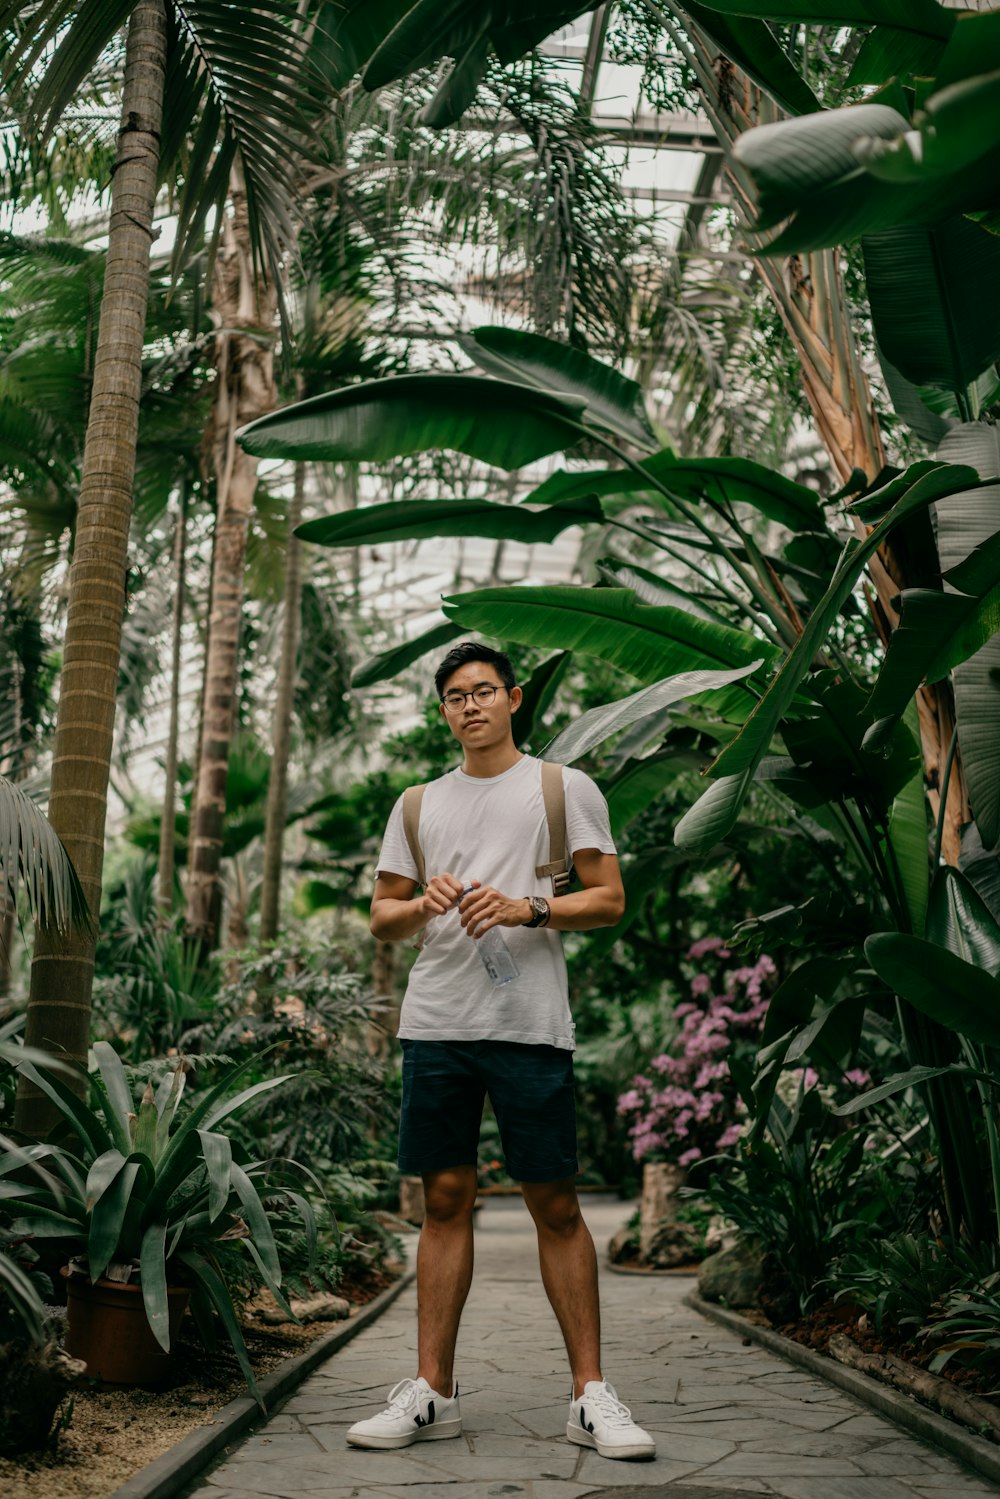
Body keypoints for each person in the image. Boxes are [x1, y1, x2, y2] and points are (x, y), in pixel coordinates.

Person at [346, 642, 656, 1462]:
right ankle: (431, 1395)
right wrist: (422, 905)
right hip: (439, 1019)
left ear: (513, 698)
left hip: (528, 1024)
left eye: (484, 690)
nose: (470, 705)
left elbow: (610, 899)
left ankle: (591, 1395)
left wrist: (529, 908)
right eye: (454, 695)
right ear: (443, 711)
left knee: (554, 1202)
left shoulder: (561, 788)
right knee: (444, 1199)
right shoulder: (417, 803)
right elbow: (381, 912)